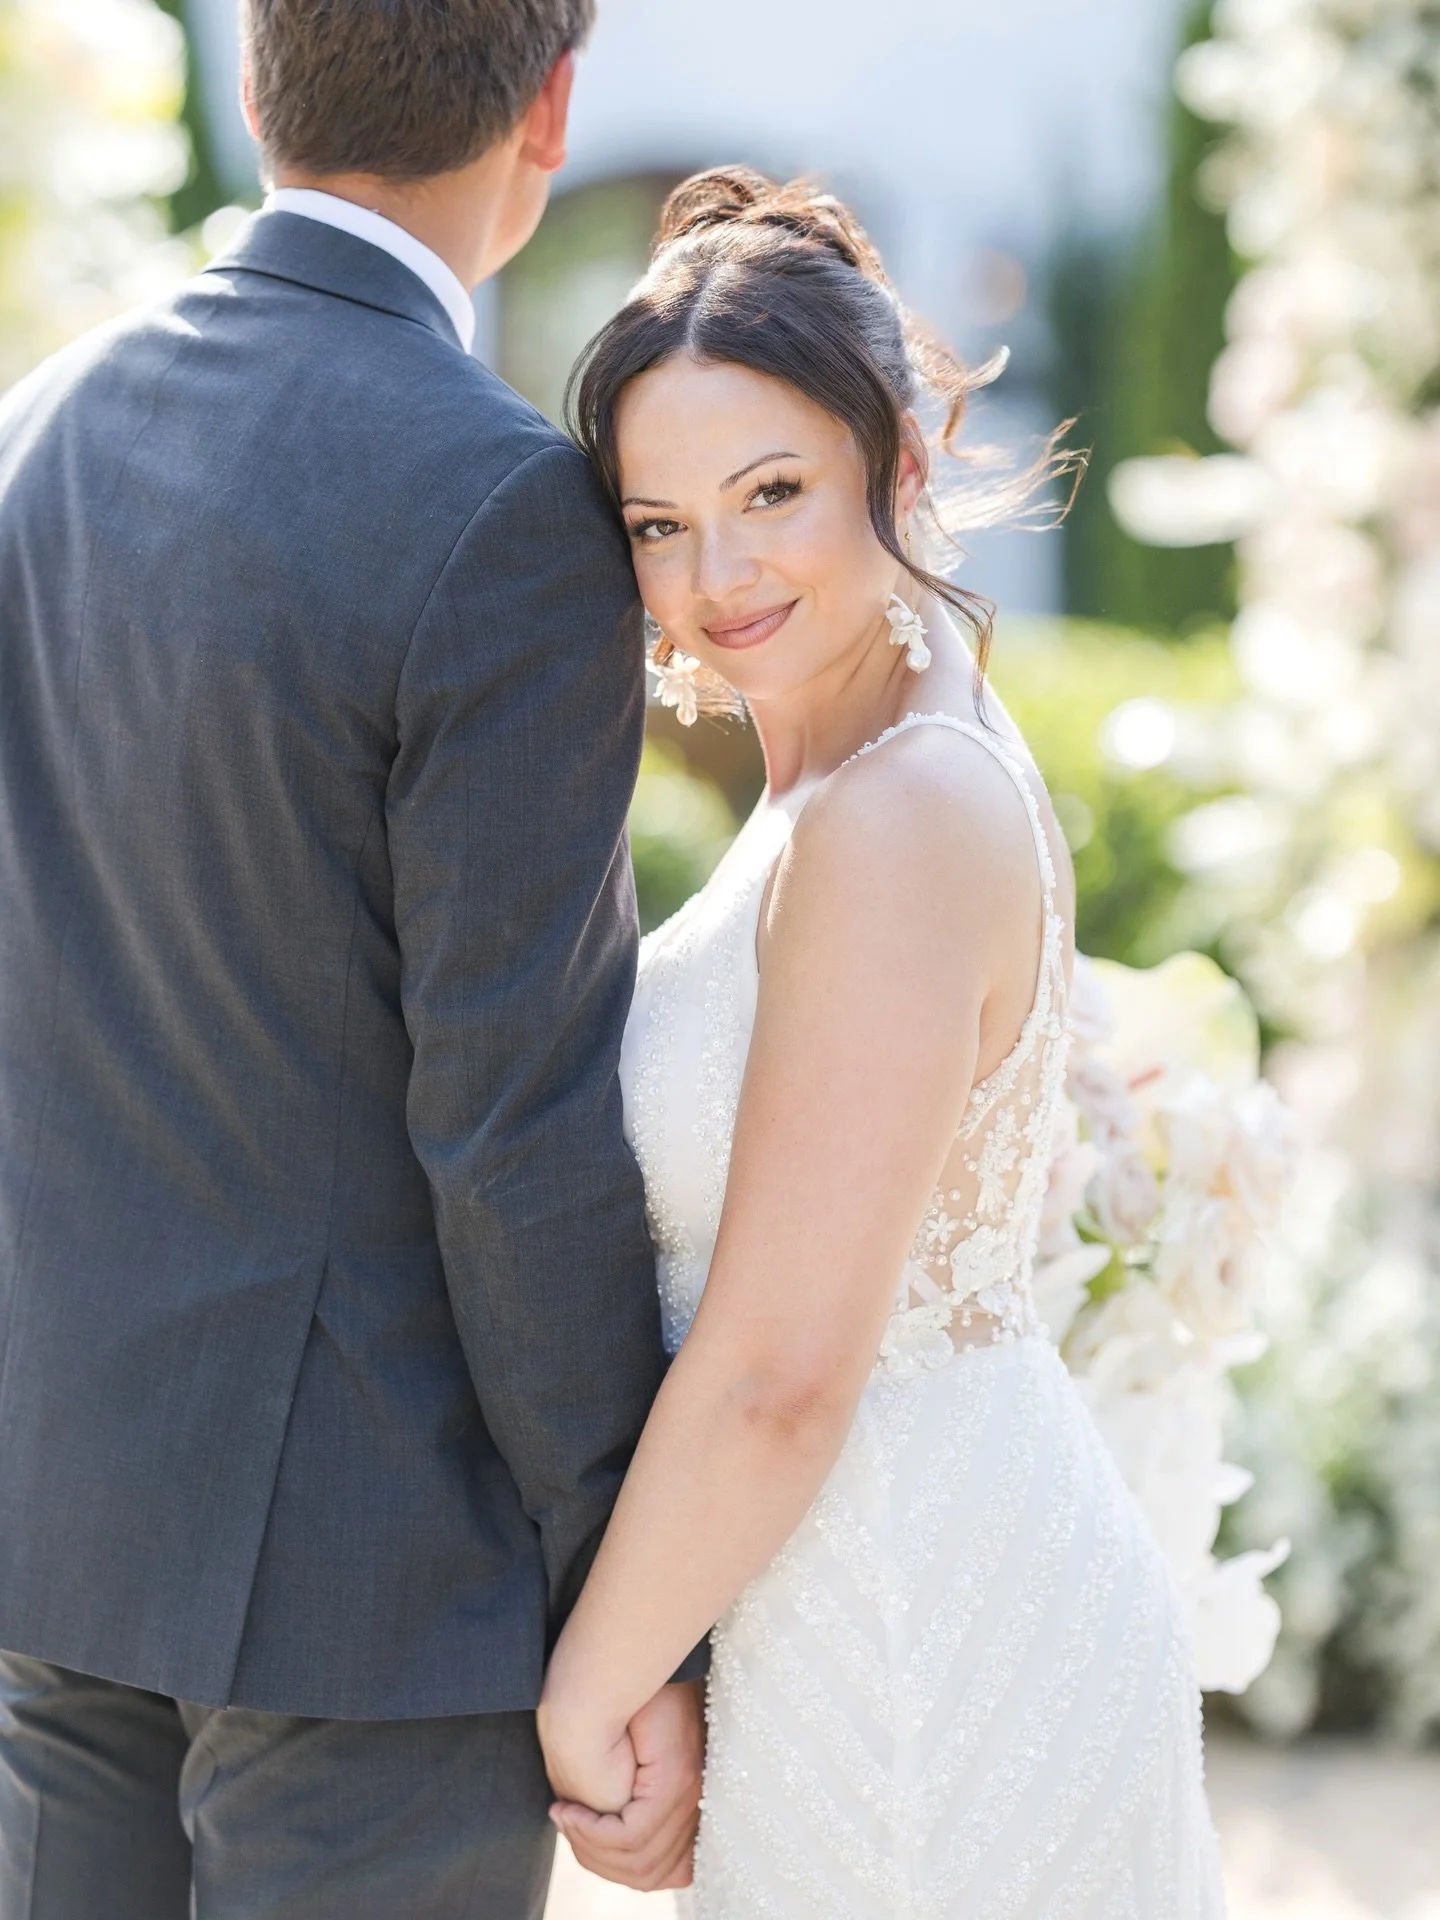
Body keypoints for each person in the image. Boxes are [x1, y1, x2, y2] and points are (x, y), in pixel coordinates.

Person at [0, 3, 701, 1914]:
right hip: (377, 1590)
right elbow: (516, 1123)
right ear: (552, 108)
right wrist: (628, 1589)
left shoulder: (34, 435)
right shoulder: (502, 507)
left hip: (58, 1519)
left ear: (251, 79)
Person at [538, 168, 1228, 1917]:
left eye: (773, 492)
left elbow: (783, 1371)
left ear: (897, 464)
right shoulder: (862, 765)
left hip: (925, 1637)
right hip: (842, 1606)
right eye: (660, 522)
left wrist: (586, 1689)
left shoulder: (897, 811)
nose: (718, 574)